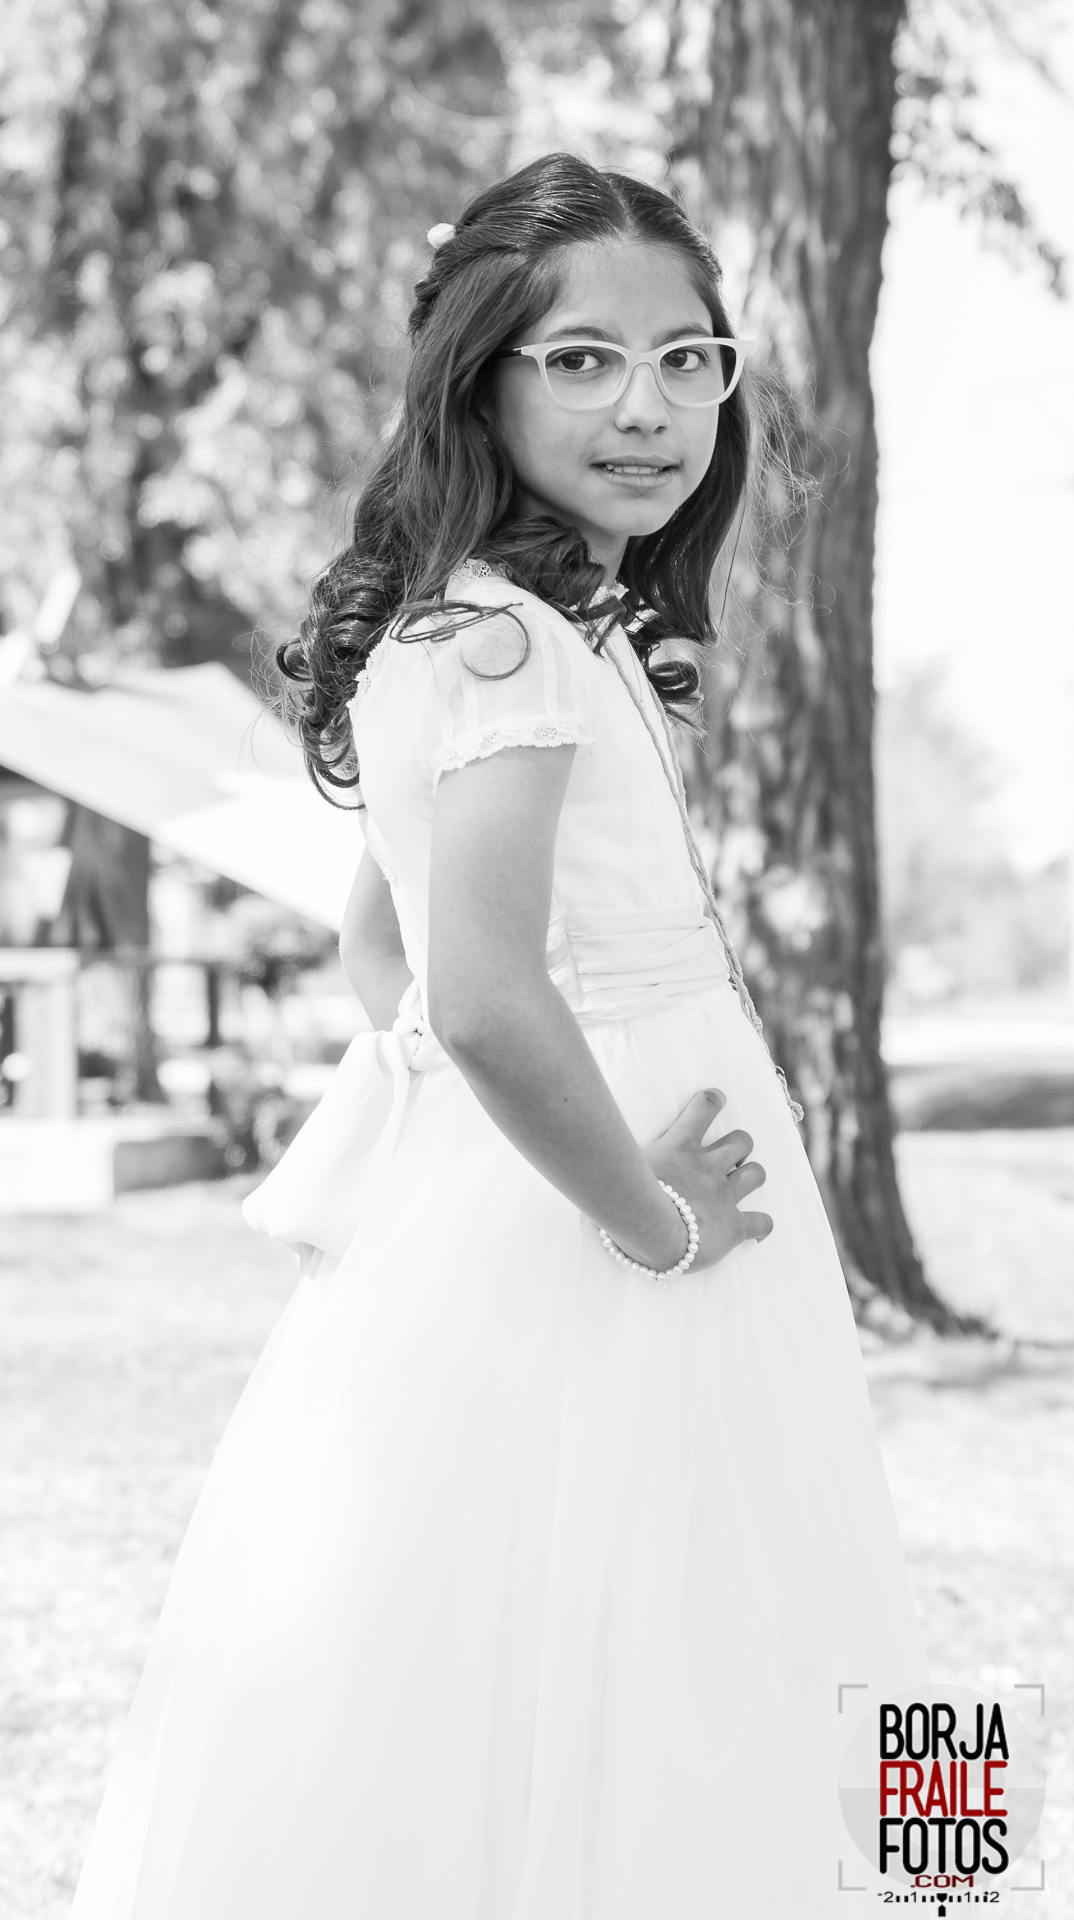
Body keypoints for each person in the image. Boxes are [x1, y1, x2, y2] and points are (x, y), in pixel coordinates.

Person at [70, 152, 929, 1920]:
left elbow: (376, 932)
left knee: (646, 1604)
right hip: (636, 1207)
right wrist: (643, 1211)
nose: (648, 407)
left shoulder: (513, 625)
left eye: (687, 359)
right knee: (709, 1600)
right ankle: (914, 1881)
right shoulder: (510, 647)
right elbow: (470, 991)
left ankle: (903, 1868)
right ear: (481, 383)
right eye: (582, 360)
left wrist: (474, 1167)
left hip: (572, 1191)